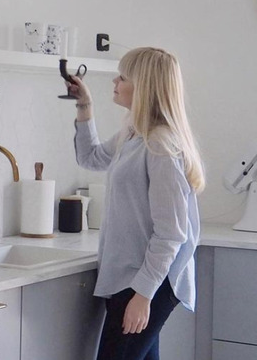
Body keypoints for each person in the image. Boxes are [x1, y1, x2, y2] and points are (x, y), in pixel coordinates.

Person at [67, 47, 205, 360]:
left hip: (148, 281)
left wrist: (143, 294)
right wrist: (84, 106)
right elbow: (91, 158)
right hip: (131, 278)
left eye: (124, 76)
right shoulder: (134, 133)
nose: (115, 80)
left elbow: (171, 233)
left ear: (144, 87)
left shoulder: (160, 145)